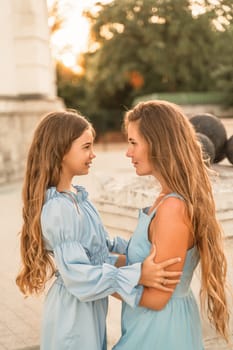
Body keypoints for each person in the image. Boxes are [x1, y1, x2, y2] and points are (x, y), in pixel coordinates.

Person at [15, 110, 182, 350]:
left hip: (88, 307)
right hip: (72, 313)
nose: (93, 154)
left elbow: (104, 246)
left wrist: (145, 248)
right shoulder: (58, 209)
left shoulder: (78, 198)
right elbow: (78, 276)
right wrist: (136, 274)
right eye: (86, 147)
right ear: (60, 151)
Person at [112, 100, 230, 350]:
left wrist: (95, 282)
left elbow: (157, 297)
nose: (128, 153)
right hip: (151, 325)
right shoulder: (163, 200)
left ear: (158, 144)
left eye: (133, 142)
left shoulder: (173, 209)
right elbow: (142, 262)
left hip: (160, 331)